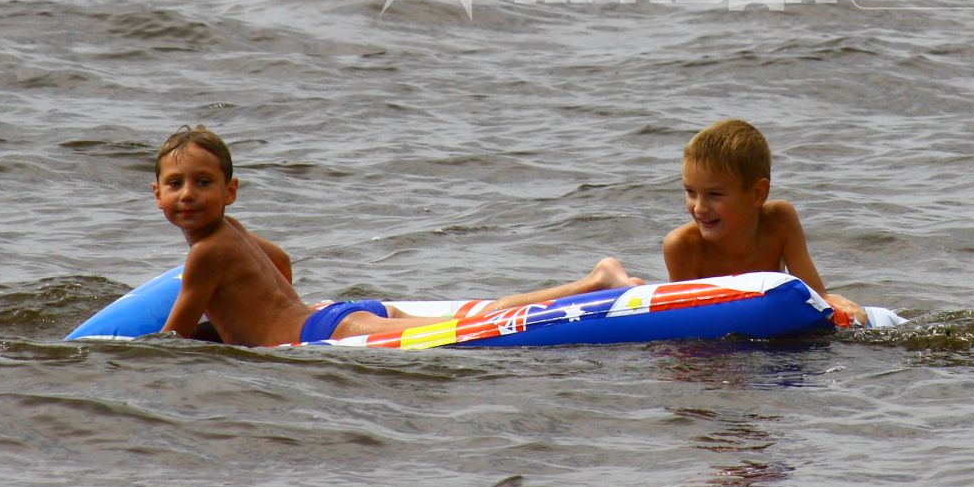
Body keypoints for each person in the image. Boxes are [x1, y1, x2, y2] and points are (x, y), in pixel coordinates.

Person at [152, 125, 639, 347]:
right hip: (330, 317)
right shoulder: (233, 234)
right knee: (479, 315)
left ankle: (596, 286)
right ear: (157, 195)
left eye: (203, 183)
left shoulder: (206, 253)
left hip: (329, 331)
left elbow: (173, 338)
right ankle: (595, 280)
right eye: (175, 185)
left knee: (466, 333)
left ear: (230, 191)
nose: (188, 195)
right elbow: (280, 264)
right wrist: (256, 314)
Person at [661, 118, 867, 327]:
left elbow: (815, 294)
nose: (699, 207)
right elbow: (687, 323)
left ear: (757, 194)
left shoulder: (779, 220)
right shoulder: (682, 246)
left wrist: (841, 306)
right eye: (690, 192)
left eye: (714, 194)